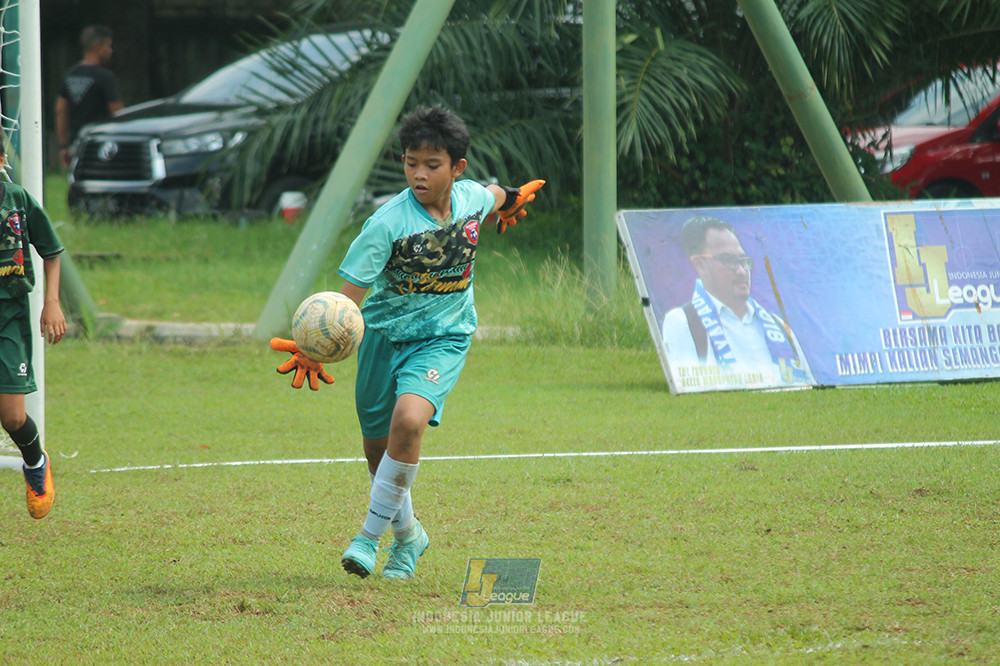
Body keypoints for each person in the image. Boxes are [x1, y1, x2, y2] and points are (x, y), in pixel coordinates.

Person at [271, 105, 544, 579]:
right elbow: (346, 304)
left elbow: (496, 194)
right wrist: (315, 349)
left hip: (443, 338)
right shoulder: (386, 224)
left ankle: (367, 539)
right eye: (411, 163)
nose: (419, 174)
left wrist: (513, 198)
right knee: (379, 449)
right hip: (382, 339)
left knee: (410, 420)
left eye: (432, 165)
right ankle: (409, 537)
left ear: (457, 167)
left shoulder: (471, 199)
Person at [661, 215, 813, 387]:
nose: (741, 271)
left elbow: (808, 387)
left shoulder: (778, 326)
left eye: (743, 261)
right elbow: (688, 389)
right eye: (728, 260)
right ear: (700, 265)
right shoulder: (683, 322)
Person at [0, 133, 67, 519]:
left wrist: (52, 302)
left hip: (9, 316)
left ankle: (35, 462)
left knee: (11, 416)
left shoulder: (18, 201)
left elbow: (52, 251)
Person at [54, 25, 124, 169]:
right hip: (101, 144)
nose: (110, 50)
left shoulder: (70, 75)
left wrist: (63, 146)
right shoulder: (105, 77)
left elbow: (60, 110)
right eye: (108, 45)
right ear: (98, 46)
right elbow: (118, 112)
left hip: (77, 144)